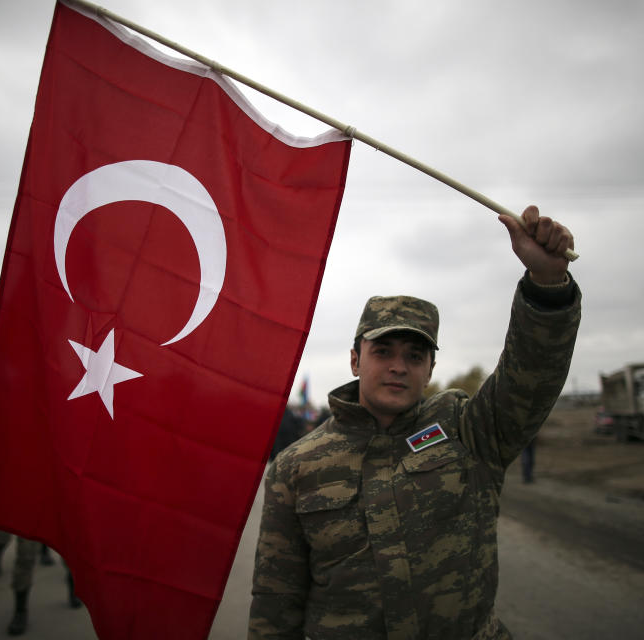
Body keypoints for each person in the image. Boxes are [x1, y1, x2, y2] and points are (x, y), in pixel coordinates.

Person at [249, 206, 581, 639]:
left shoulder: (468, 430)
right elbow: (276, 600)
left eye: (414, 355)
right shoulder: (296, 467)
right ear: (355, 360)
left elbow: (532, 374)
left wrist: (548, 284)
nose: (398, 366)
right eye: (382, 351)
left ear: (430, 367)